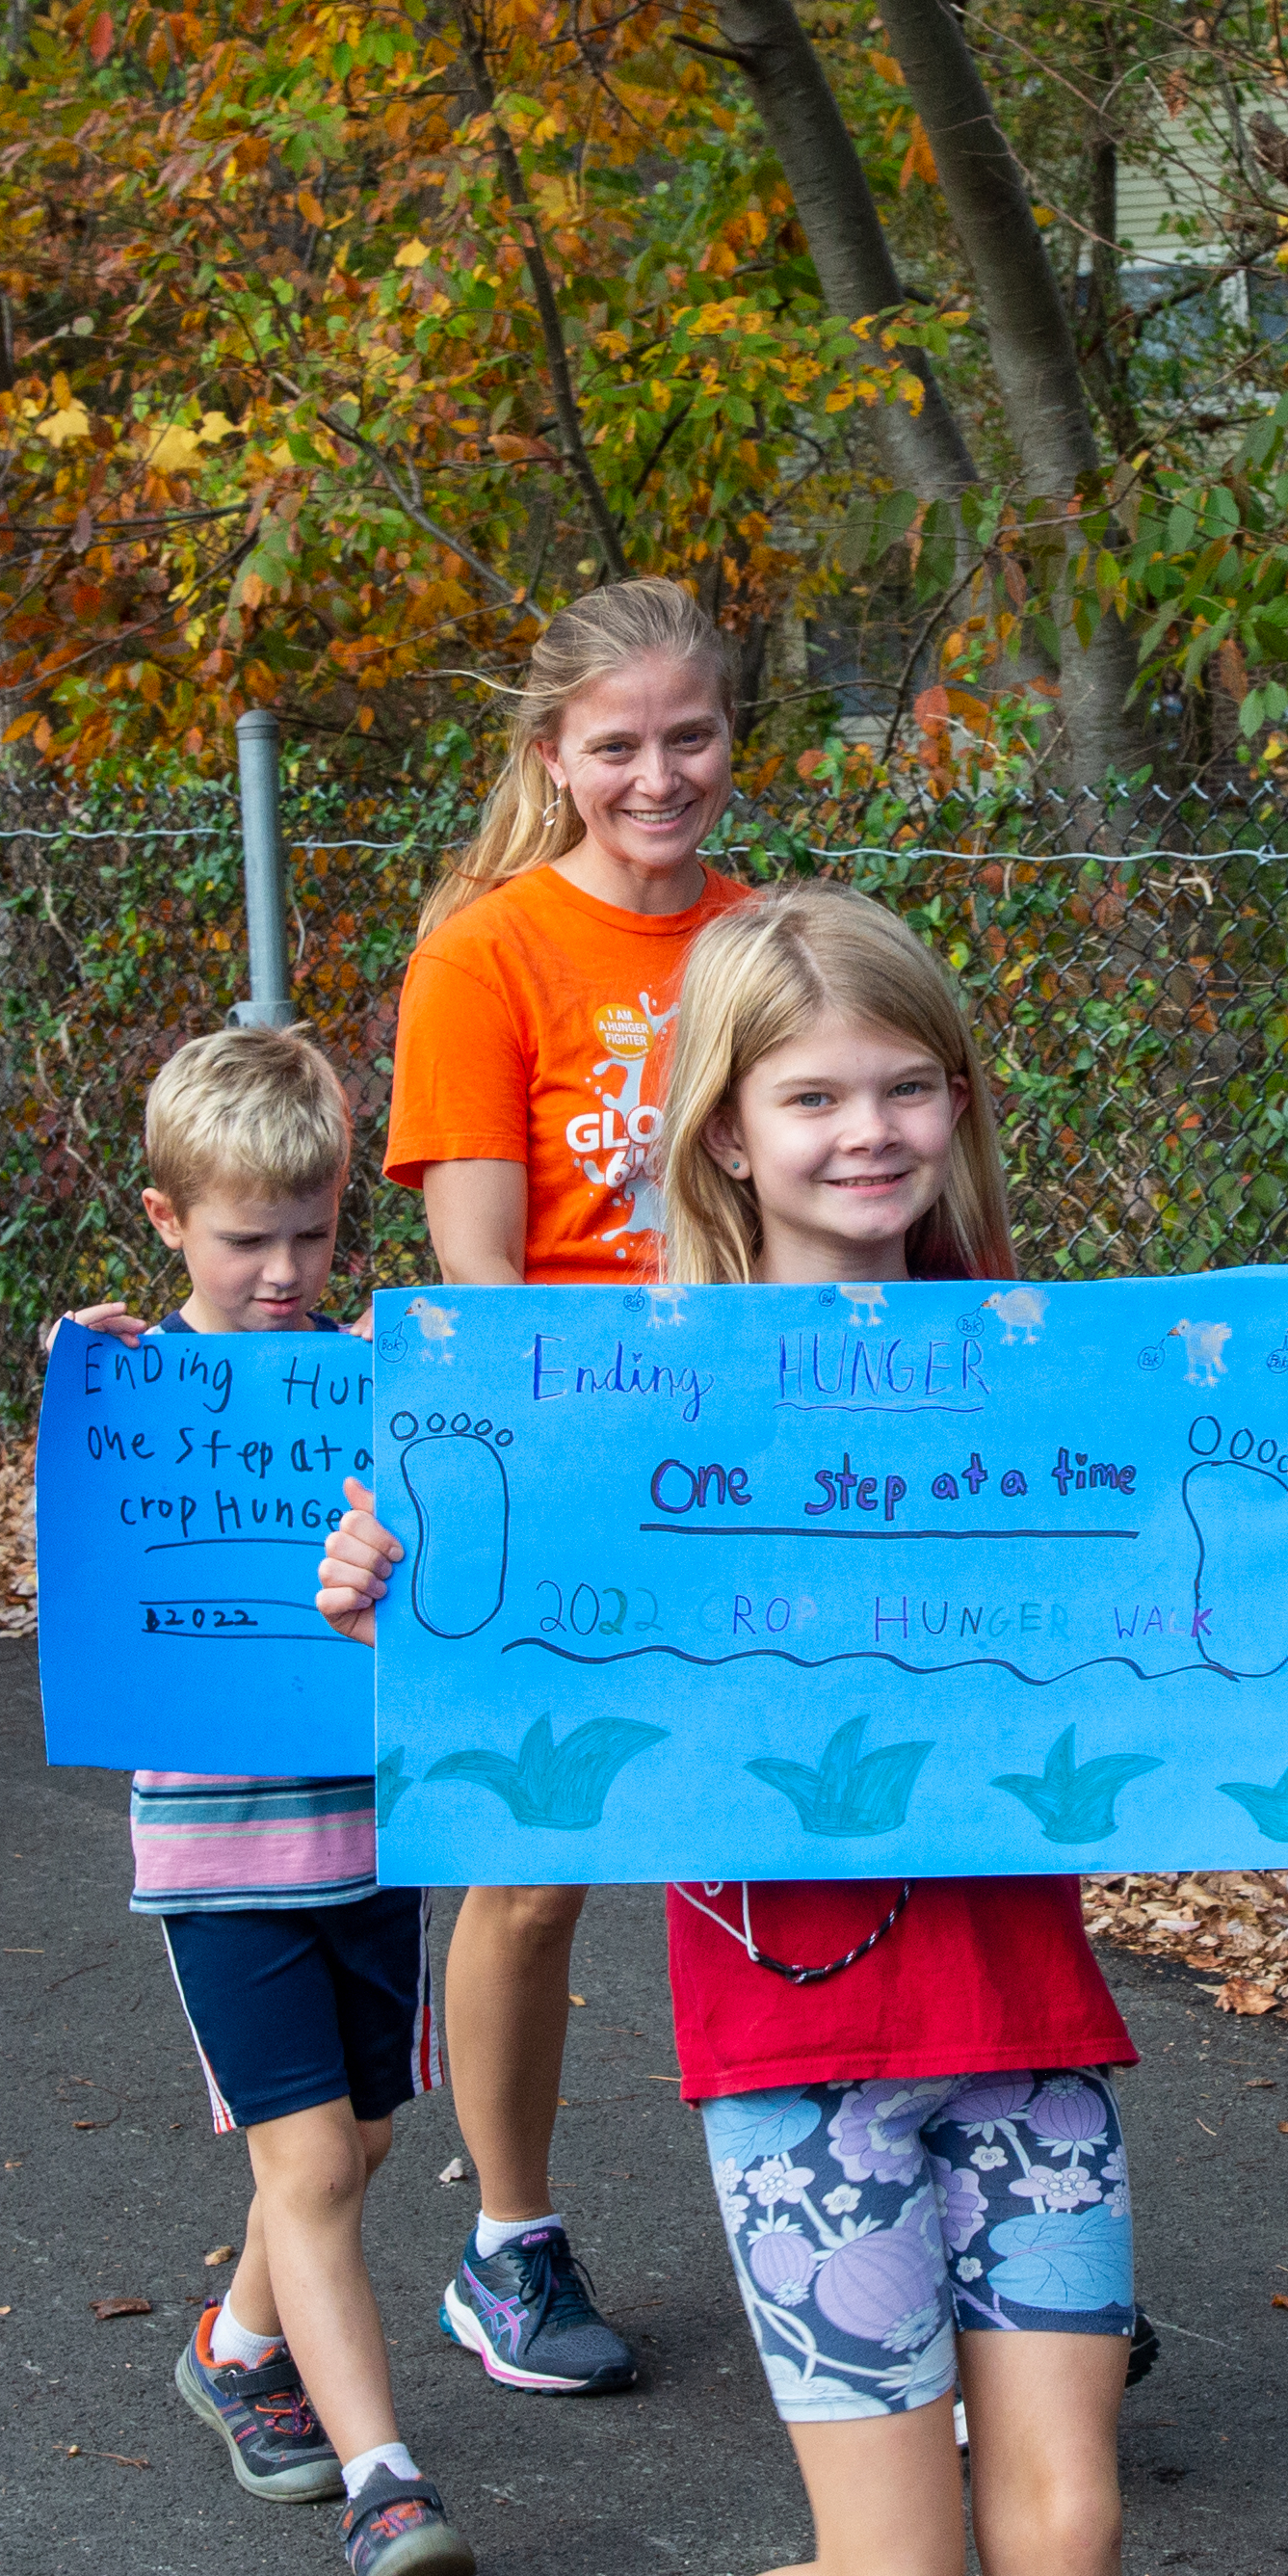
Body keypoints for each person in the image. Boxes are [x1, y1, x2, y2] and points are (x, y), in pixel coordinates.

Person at [323, 884, 1288, 2576]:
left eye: (909, 1088)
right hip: (800, 2058)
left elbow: (1171, 1632)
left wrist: (1274, 1510)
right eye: (814, 1097)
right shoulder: (619, 1387)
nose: (868, 1132)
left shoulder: (1052, 1375)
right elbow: (494, 1637)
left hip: (1032, 2027)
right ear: (726, 1127)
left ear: (959, 1109)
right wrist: (382, 1592)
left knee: (1067, 2543)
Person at [376, 571, 751, 2402]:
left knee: (785, 1844)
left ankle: (854, 2210)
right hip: (569, 1458)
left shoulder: (776, 932)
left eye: (689, 736)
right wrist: (582, 1456)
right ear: (555, 755)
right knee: (537, 1874)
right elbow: (476, 1281)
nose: (658, 775)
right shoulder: (489, 954)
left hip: (763, 1464)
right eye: (618, 745)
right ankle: (507, 2242)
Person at [47, 1025, 466, 2576]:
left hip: (369, 1837)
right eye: (245, 1240)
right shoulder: (131, 1387)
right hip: (221, 1856)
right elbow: (99, 1549)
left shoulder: (377, 1382)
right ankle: (383, 2485)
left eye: (310, 1234)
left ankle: (235, 2347)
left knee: (354, 2145)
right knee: (308, 2166)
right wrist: (73, 1383)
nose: (284, 1271)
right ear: (167, 1222)